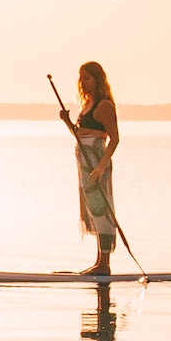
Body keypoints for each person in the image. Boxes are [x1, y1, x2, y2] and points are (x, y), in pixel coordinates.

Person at [52, 61, 129, 276]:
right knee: (92, 210)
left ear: (97, 79)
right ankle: (98, 262)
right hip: (85, 165)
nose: (83, 82)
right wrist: (68, 122)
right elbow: (80, 135)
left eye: (87, 78)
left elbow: (114, 139)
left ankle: (104, 264)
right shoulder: (87, 105)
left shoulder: (104, 105)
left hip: (97, 164)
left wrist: (100, 168)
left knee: (102, 208)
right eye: (81, 78)